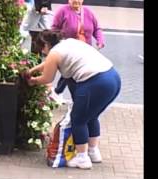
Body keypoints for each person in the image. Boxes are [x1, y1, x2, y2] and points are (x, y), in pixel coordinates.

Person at [26, 30, 121, 169]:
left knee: (78, 119)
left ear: (46, 44)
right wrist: (32, 70)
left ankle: (82, 158)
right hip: (113, 77)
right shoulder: (68, 43)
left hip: (95, 82)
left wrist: (32, 80)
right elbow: (48, 63)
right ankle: (93, 152)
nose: (42, 51)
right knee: (91, 116)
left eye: (42, 47)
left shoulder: (54, 53)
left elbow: (47, 78)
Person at [51, 0, 105, 95]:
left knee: (74, 73)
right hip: (68, 51)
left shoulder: (88, 12)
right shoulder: (62, 11)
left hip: (85, 51)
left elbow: (97, 29)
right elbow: (54, 29)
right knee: (70, 74)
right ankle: (63, 94)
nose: (76, 1)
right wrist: (59, 42)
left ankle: (58, 92)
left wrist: (100, 40)